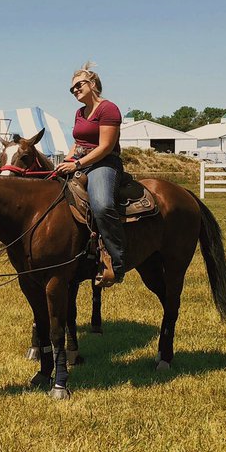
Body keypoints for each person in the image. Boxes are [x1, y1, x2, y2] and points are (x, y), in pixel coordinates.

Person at [54, 61, 127, 287]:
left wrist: (76, 165)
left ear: (93, 83)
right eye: (72, 88)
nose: (75, 90)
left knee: (102, 204)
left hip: (105, 163)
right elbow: (78, 143)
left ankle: (117, 261)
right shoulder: (80, 112)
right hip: (80, 161)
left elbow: (105, 146)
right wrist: (66, 160)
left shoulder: (108, 109)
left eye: (78, 85)